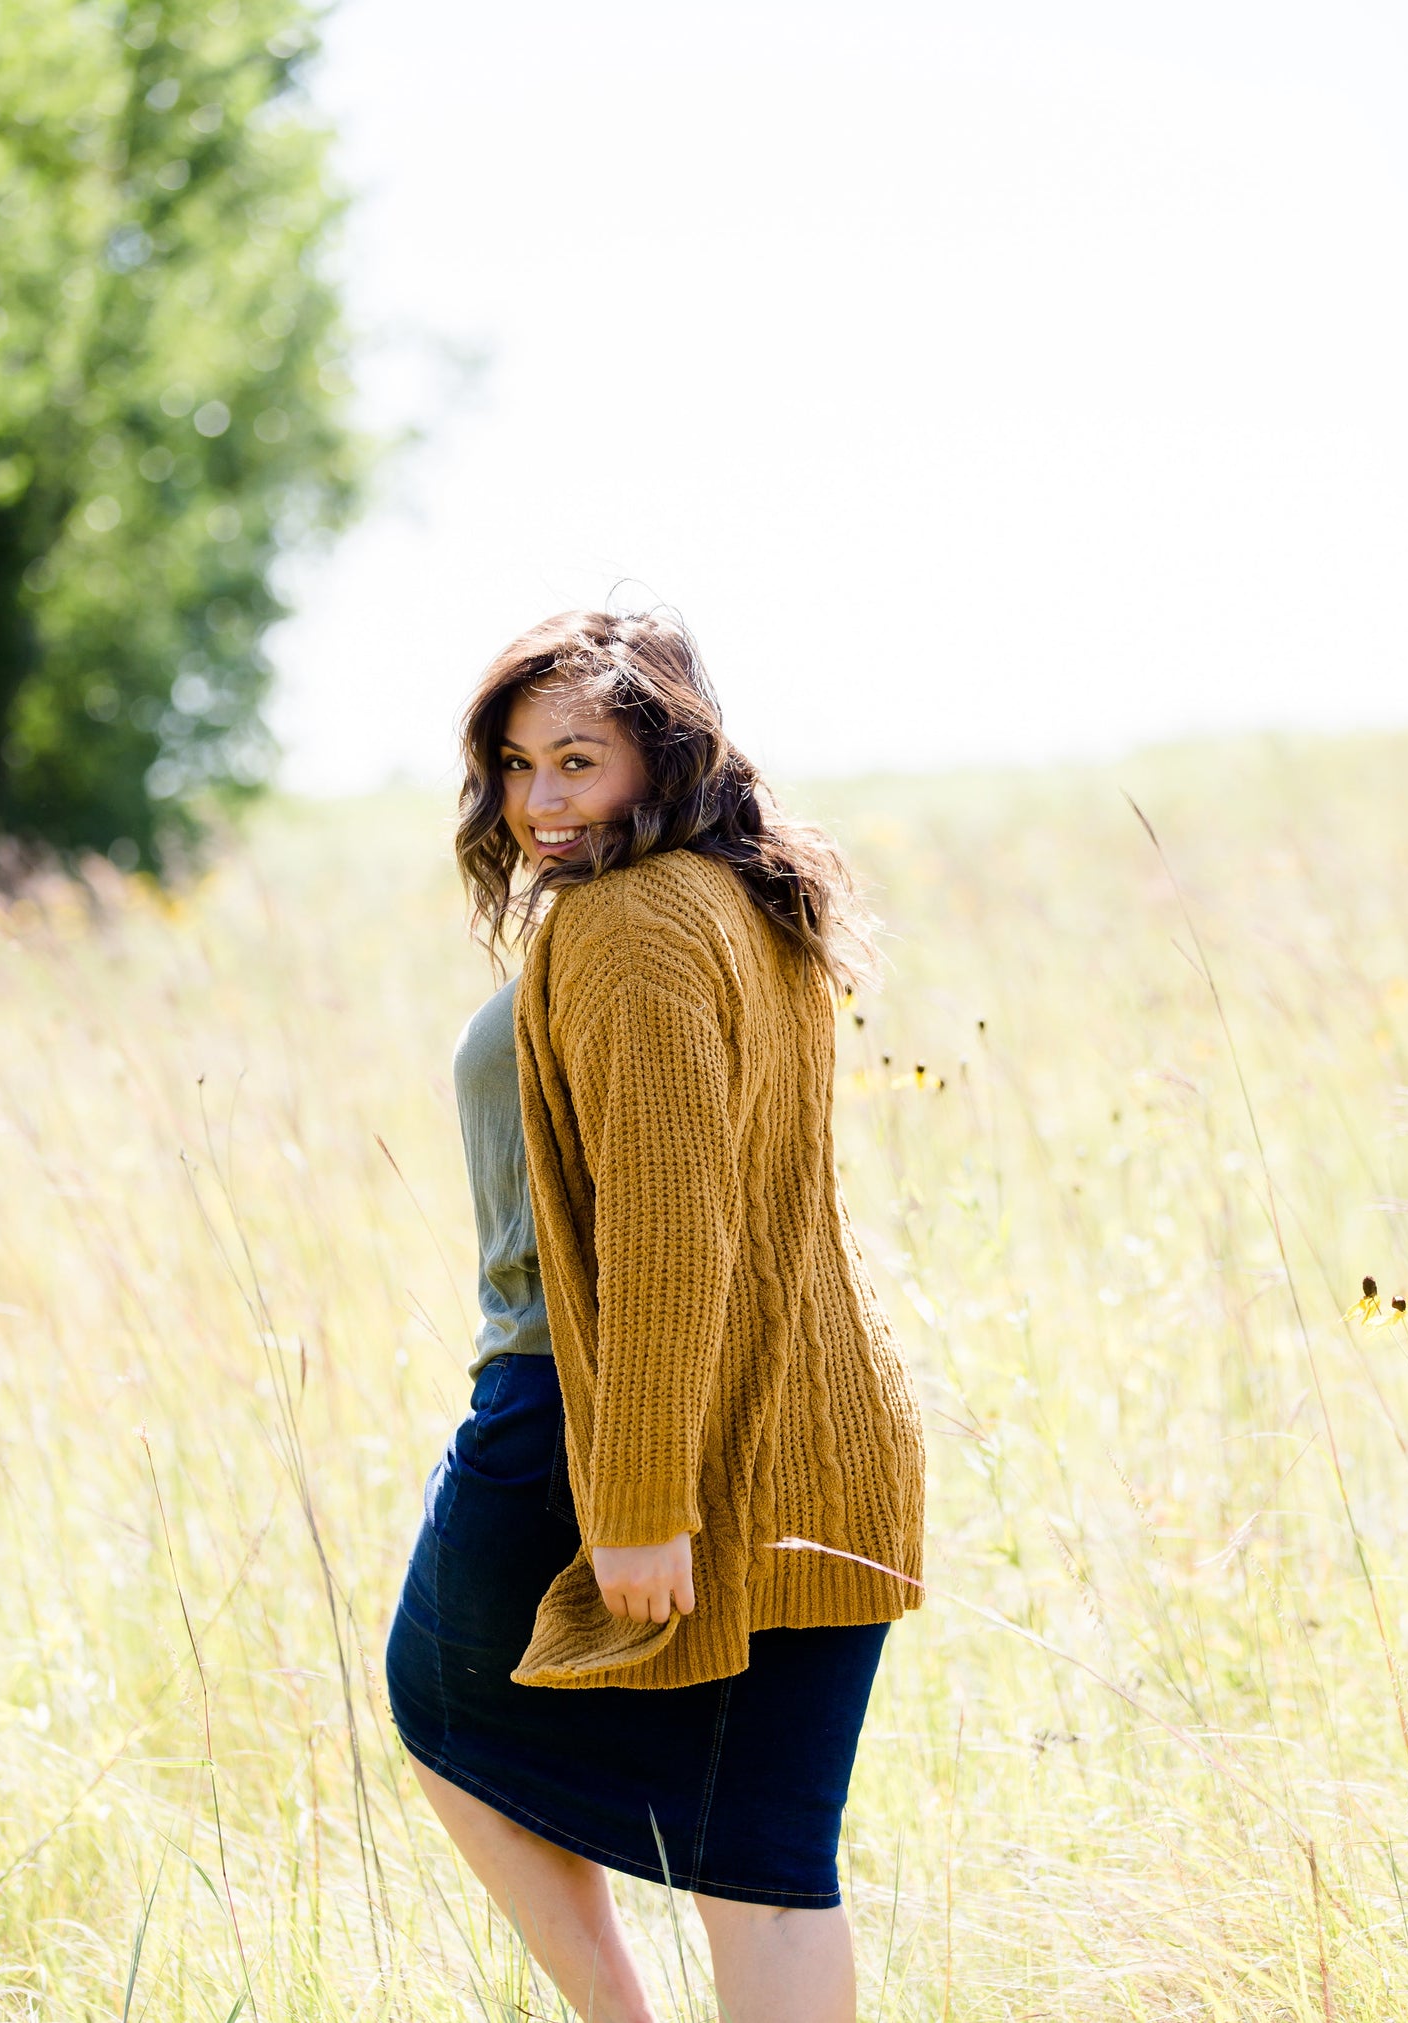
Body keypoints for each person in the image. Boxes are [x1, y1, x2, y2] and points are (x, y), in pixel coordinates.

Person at [384, 609, 926, 2023]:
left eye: (579, 760)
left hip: (594, 1407)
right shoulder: (745, 896)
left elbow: (668, 1233)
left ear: (666, 754)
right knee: (766, 1860)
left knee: (442, 1710)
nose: (542, 801)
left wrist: (634, 1501)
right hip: (819, 1430)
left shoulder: (629, 923)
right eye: (516, 765)